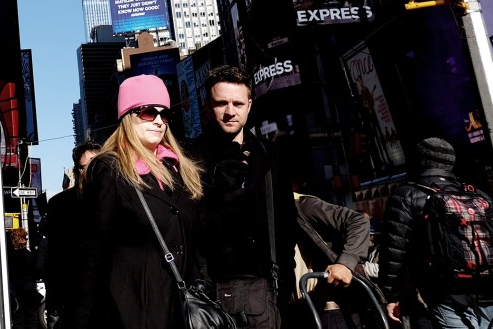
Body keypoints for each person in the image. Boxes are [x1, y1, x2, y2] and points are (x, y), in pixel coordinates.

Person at [72, 74, 205, 329]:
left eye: (164, 114)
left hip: (182, 310)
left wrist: (204, 286)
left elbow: (195, 243)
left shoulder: (178, 169)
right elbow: (93, 253)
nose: (158, 120)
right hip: (134, 311)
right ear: (127, 117)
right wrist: (80, 318)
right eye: (147, 112)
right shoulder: (110, 170)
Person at [191, 65, 296, 328]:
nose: (230, 112)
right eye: (221, 103)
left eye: (238, 103)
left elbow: (286, 222)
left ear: (249, 105)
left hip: (264, 290)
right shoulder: (190, 156)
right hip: (209, 294)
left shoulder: (269, 154)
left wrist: (284, 286)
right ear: (207, 105)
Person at [377, 137, 493, 328]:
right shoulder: (476, 194)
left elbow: (393, 252)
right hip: (487, 288)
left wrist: (391, 296)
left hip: (445, 294)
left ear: (418, 161)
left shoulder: (407, 194)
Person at [291, 191, 372, 328]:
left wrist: (345, 263)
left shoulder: (301, 205)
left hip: (327, 311)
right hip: (292, 313)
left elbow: (358, 220)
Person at [42, 142, 100, 327]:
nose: (91, 172)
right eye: (85, 167)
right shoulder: (60, 204)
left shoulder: (122, 200)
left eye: (97, 165)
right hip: (72, 301)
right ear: (77, 170)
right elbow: (55, 260)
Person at [6, 228, 42, 329]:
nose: (26, 240)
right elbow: (36, 271)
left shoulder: (9, 255)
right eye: (24, 238)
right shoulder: (27, 255)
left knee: (18, 319)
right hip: (28, 291)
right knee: (31, 319)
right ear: (19, 239)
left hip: (16, 292)